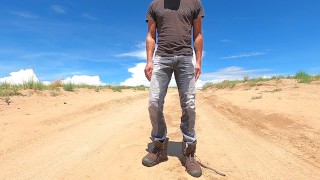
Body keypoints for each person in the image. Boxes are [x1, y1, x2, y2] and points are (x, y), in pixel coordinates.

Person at [142, 0, 204, 178]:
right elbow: (151, 35)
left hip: (185, 58)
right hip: (161, 58)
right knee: (154, 102)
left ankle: (189, 150)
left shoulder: (194, 3)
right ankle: (159, 145)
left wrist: (198, 62)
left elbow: (198, 34)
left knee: (189, 104)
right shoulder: (155, 5)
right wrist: (149, 60)